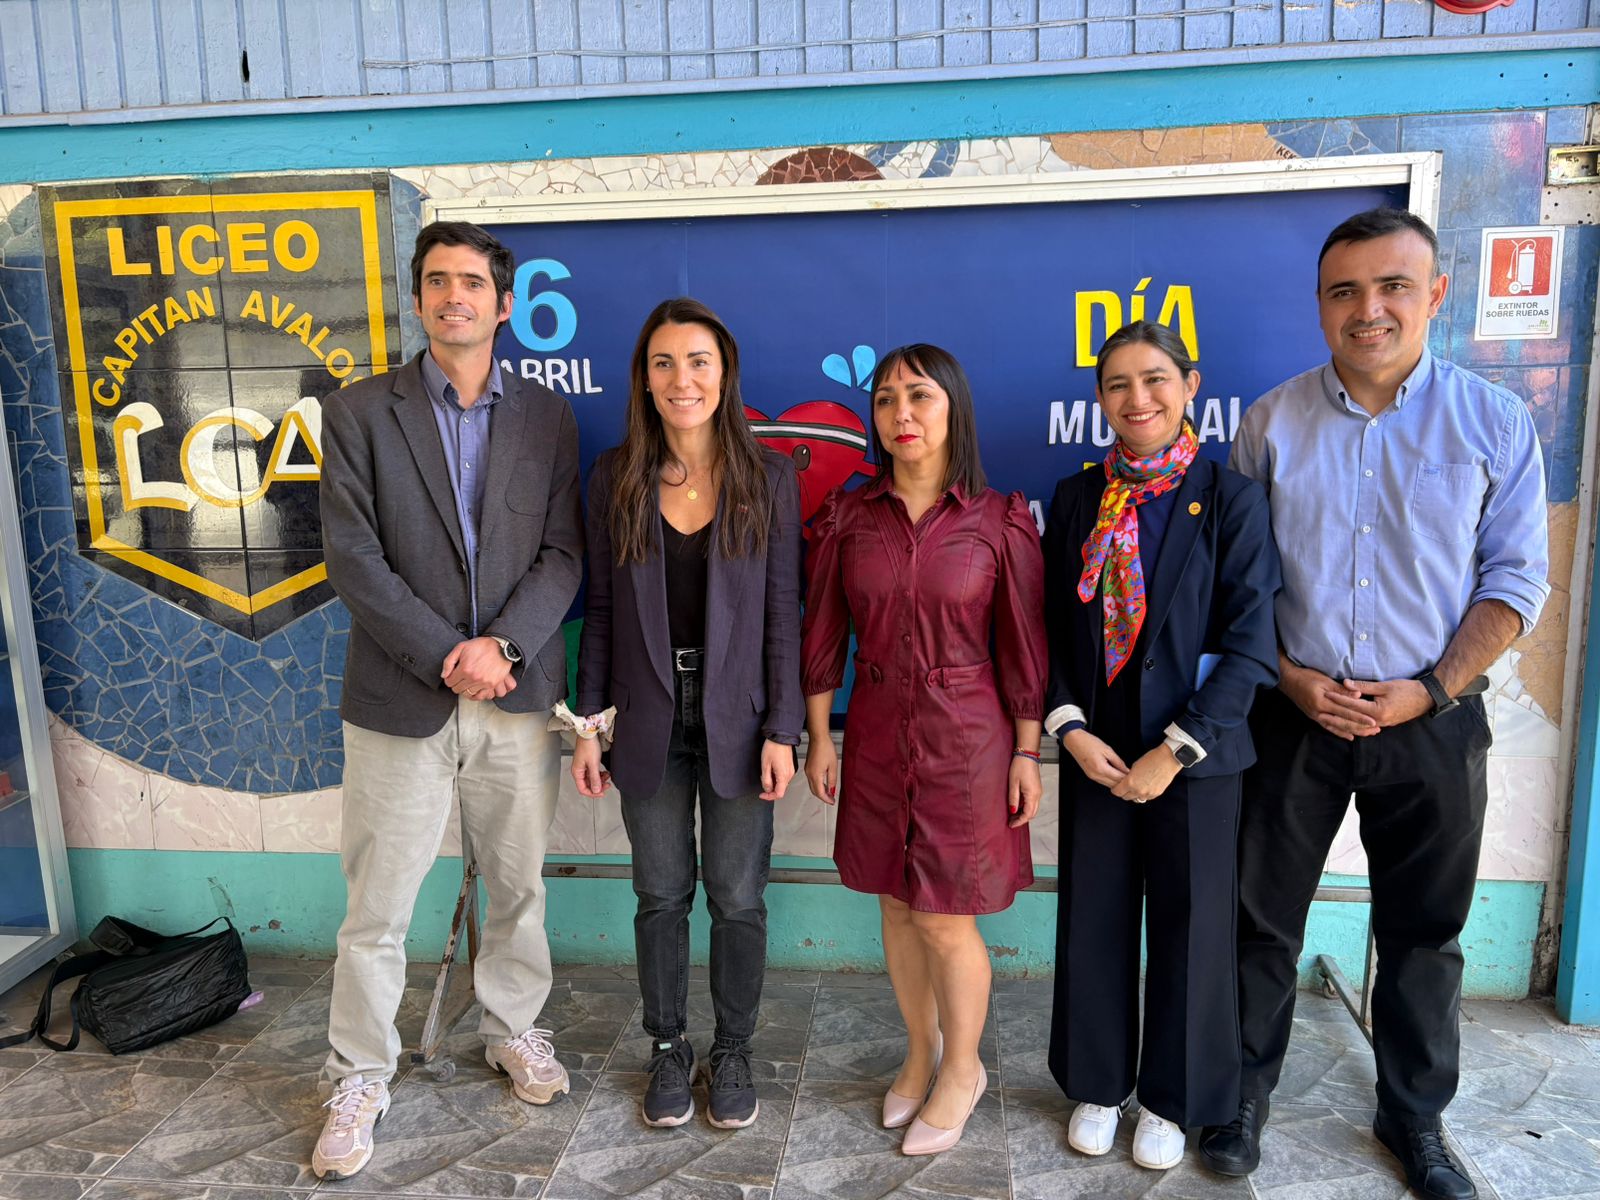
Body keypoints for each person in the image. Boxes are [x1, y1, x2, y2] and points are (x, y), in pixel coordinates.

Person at [1203, 208, 1550, 1200]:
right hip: (1292, 714)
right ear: (1319, 306)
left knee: (1421, 931)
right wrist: (1288, 674)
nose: (1370, 310)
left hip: (1432, 721)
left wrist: (1429, 689)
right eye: (1345, 291)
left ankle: (1413, 1118)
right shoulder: (1268, 425)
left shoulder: (1493, 422)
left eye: (1393, 286)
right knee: (1256, 921)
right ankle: (1240, 1095)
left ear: (1435, 294)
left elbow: (1516, 583)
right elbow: (1241, 582)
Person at [312, 221, 584, 1181]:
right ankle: (358, 1073)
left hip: (514, 698)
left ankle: (515, 1030)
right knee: (377, 907)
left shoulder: (548, 420)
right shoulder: (355, 414)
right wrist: (449, 654)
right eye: (438, 282)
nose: (454, 297)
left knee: (517, 890)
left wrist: (501, 649)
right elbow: (354, 560)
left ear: (505, 304)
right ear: (417, 299)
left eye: (473, 282)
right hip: (400, 698)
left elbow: (563, 553)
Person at [1041, 320, 1280, 1170]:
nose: (1136, 399)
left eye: (1154, 380)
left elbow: (1252, 645)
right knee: (1095, 920)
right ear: (1099, 398)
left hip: (1198, 762)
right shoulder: (1075, 499)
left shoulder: (1230, 498)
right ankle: (1100, 1084)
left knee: (1192, 929)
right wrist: (1068, 727)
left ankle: (1174, 1100)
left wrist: (1174, 750)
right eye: (1117, 384)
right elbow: (1051, 638)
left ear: (1188, 386)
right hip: (1096, 757)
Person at [800, 343, 1046, 1156]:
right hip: (872, 730)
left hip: (967, 738)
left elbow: (1022, 644)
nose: (901, 414)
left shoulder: (997, 518)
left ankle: (965, 1067)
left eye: (920, 397)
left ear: (953, 410)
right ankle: (921, 1049)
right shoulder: (850, 515)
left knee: (946, 915)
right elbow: (824, 631)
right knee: (895, 904)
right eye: (886, 401)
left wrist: (1024, 749)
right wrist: (818, 733)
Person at [571, 297, 802, 1131]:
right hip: (646, 720)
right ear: (644, 378)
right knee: (661, 894)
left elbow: (784, 615)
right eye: (664, 363)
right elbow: (598, 612)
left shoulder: (768, 477)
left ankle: (732, 1048)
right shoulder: (614, 476)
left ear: (725, 373)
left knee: (738, 896)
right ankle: (668, 1047)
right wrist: (589, 728)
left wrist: (784, 730)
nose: (682, 379)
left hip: (740, 719)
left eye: (698, 361)